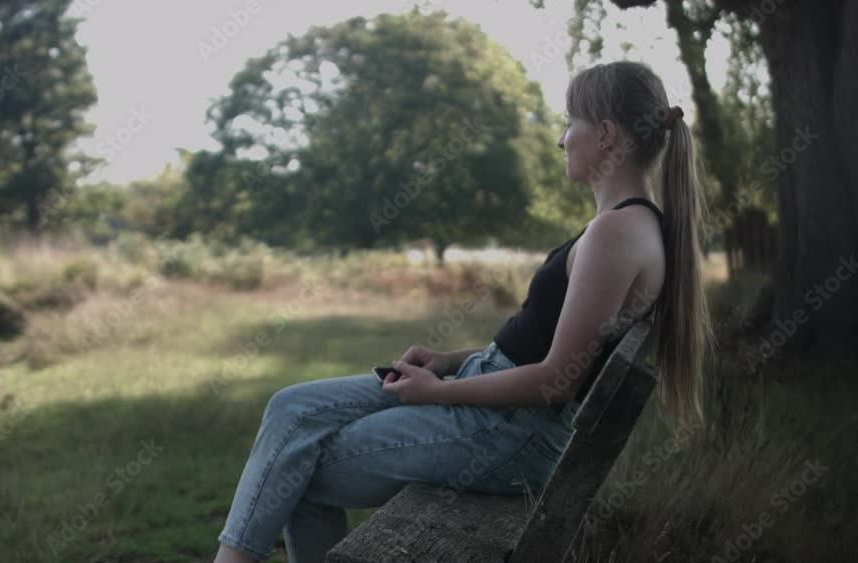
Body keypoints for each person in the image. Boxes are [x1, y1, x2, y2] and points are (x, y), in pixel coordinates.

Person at [213, 60, 712, 563]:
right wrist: (449, 361)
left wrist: (438, 392)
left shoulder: (616, 233)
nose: (561, 139)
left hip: (509, 431)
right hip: (495, 402)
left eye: (569, 122)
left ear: (605, 135)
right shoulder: (625, 226)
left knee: (294, 471)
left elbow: (557, 380)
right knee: (290, 408)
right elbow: (546, 343)